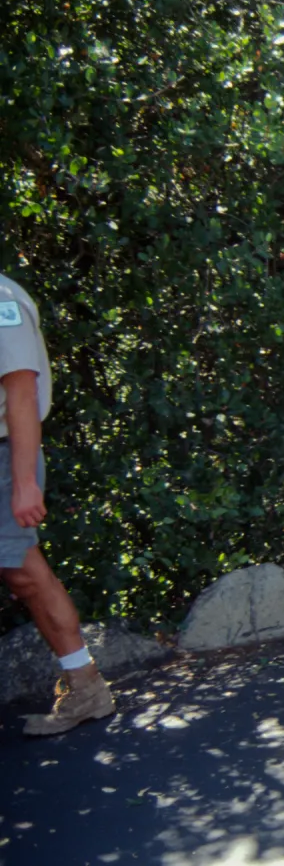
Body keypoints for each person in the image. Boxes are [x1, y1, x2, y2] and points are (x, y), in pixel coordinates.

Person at [0, 272, 115, 735]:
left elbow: (21, 392)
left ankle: (86, 687)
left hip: (5, 456)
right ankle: (86, 686)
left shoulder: (2, 301)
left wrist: (25, 482)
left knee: (23, 570)